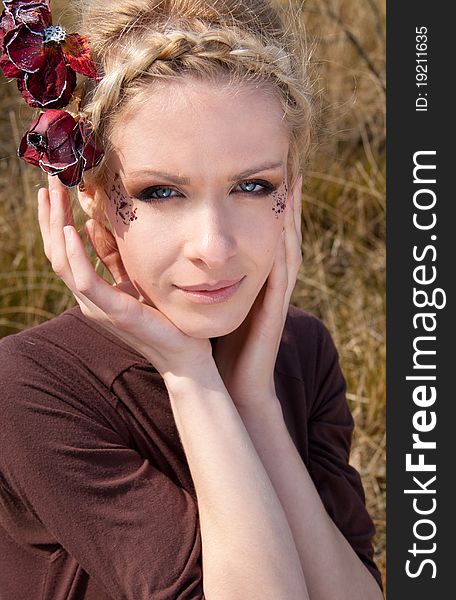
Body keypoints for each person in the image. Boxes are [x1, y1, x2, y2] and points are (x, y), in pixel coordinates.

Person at [0, 0, 383, 598]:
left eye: (253, 186)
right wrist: (191, 377)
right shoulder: (27, 386)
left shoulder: (301, 349)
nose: (214, 246)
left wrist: (255, 402)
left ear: (294, 194)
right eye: (160, 192)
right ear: (94, 199)